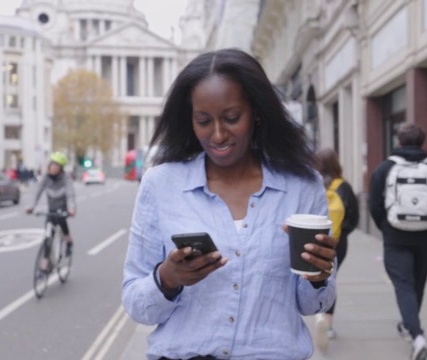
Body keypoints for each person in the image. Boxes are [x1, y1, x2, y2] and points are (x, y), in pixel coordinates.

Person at [122, 48, 338, 359]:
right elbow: (135, 302)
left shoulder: (302, 186)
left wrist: (319, 277)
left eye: (232, 118)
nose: (218, 134)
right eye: (203, 121)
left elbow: (311, 304)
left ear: (257, 112)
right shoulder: (160, 184)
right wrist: (168, 278)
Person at [369, 123, 427, 360]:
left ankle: (416, 335)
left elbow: (375, 204)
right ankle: (409, 326)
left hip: (395, 237)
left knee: (404, 285)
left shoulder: (384, 168)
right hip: (425, 237)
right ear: (422, 142)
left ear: (399, 141)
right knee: (417, 284)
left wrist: (386, 227)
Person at [314, 148, 359, 350]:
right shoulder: (344, 187)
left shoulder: (312, 185)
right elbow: (353, 217)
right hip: (337, 243)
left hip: (312, 239)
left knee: (313, 274)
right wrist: (340, 234)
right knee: (331, 276)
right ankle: (328, 323)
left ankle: (315, 309)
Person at [26, 152, 76, 257]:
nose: (53, 168)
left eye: (56, 166)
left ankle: (69, 242)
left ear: (61, 168)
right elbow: (37, 192)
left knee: (63, 225)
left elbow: (70, 194)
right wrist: (31, 206)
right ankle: (45, 264)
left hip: (62, 208)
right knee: (48, 237)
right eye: (52, 165)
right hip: (51, 209)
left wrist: (71, 208)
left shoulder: (65, 179)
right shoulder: (46, 177)